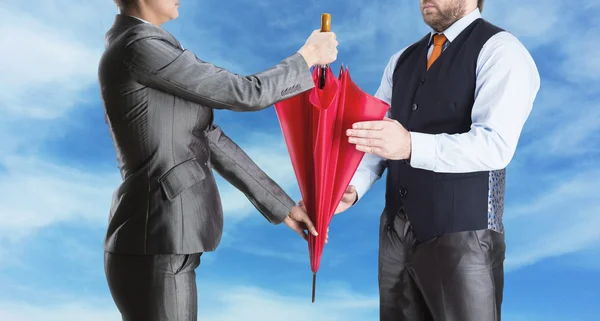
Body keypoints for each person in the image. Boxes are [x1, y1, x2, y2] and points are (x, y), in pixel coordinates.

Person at [98, 0, 338, 320]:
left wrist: (280, 205)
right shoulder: (139, 47)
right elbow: (244, 92)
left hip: (162, 239)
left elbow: (209, 138)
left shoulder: (143, 46)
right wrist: (308, 56)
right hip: (157, 240)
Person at [336, 0, 540, 320]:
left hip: (464, 234)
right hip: (395, 234)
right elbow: (378, 136)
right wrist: (355, 186)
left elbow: (495, 145)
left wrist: (409, 145)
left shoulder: (501, 50)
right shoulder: (401, 60)